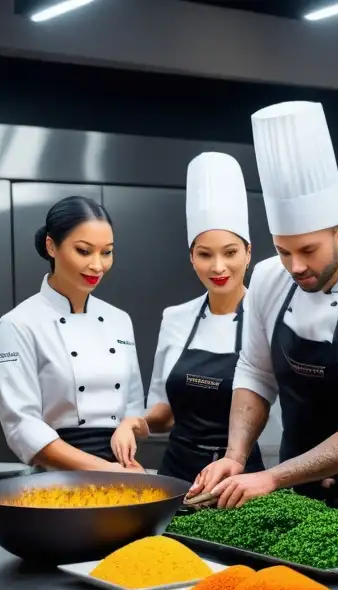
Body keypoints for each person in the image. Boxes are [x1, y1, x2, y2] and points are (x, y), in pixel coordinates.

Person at [190, 101, 338, 518]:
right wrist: (236, 457)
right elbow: (255, 373)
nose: (295, 266)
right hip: (294, 493)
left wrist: (272, 478)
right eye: (283, 251)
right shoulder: (267, 278)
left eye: (308, 250)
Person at [109, 152, 264, 481]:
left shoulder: (267, 319)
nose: (218, 267)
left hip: (240, 480)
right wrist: (135, 423)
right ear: (191, 257)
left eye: (231, 252)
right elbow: (164, 414)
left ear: (249, 253)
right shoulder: (176, 318)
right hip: (176, 477)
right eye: (205, 254)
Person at [0, 196, 146, 471]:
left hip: (121, 471)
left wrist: (128, 430)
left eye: (107, 252)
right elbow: (21, 424)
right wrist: (102, 469)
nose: (98, 265)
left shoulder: (119, 320)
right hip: (56, 475)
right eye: (84, 251)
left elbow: (134, 404)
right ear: (52, 246)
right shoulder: (17, 324)